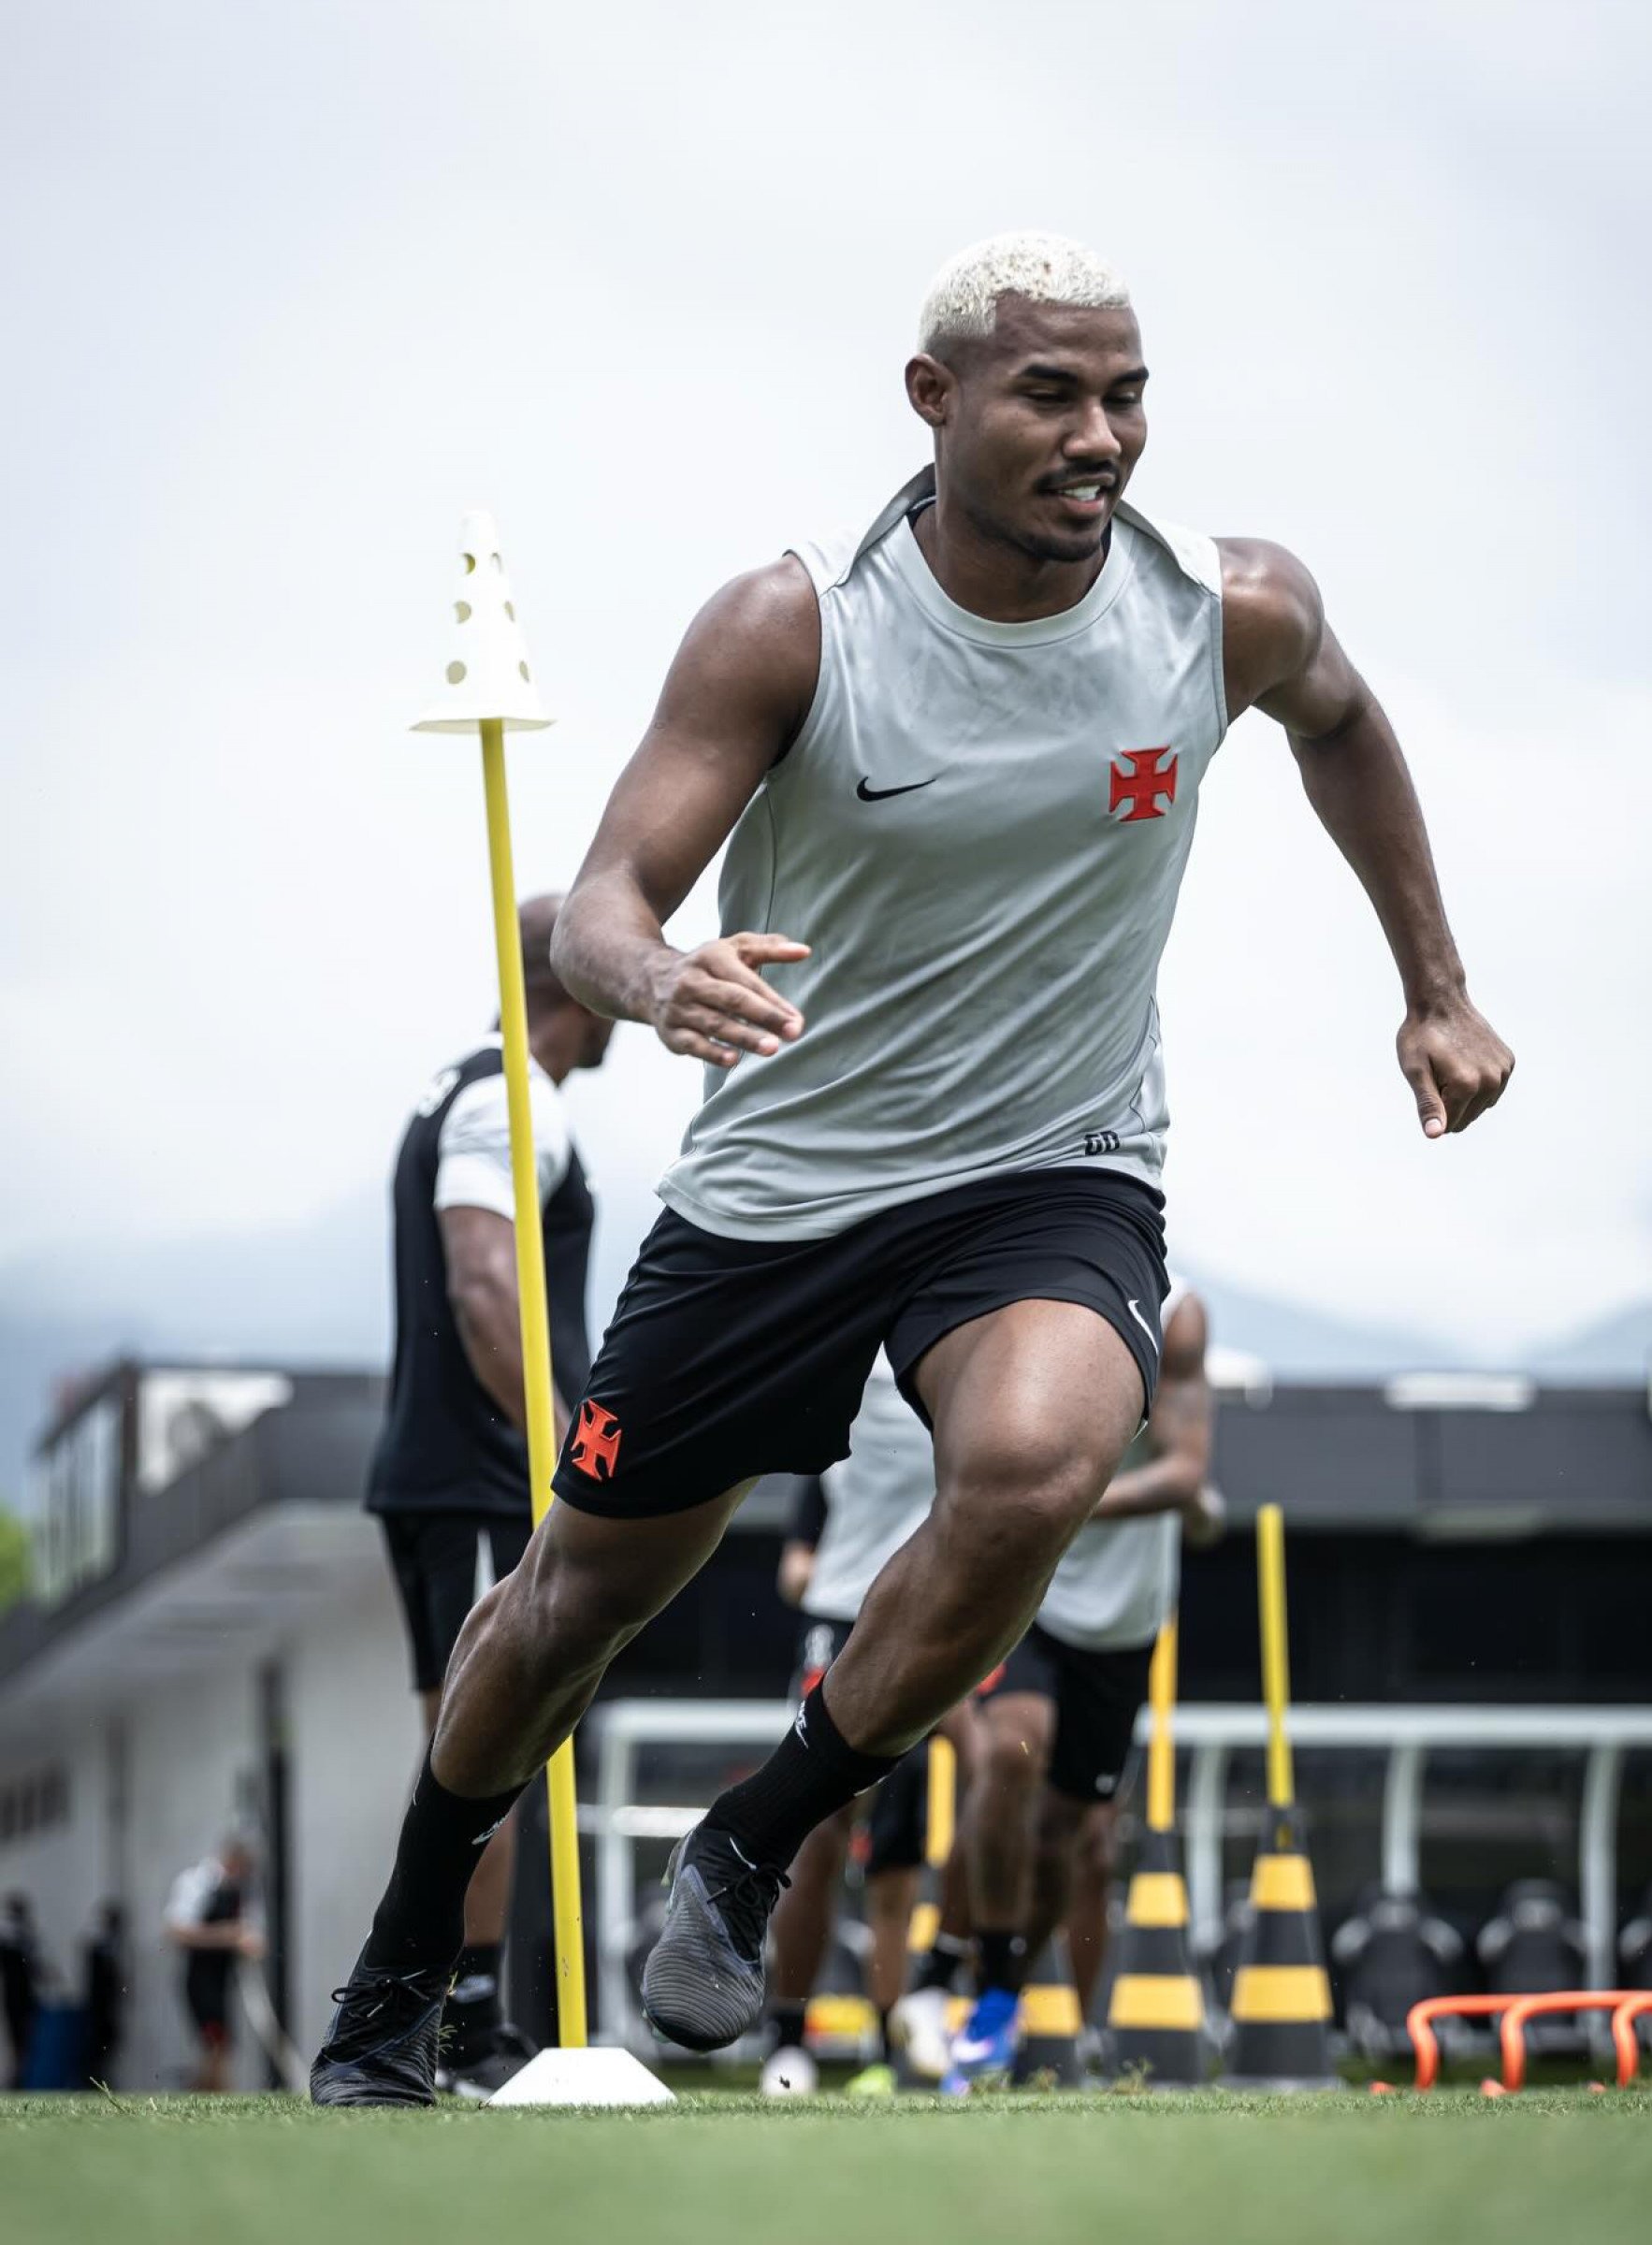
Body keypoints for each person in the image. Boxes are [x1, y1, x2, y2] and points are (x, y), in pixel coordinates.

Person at [312, 228, 1514, 2106]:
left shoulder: (1228, 611)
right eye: (1051, 392)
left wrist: (1435, 989)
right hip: (786, 1186)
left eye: (1126, 395)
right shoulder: (796, 627)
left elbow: (1344, 722)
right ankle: (394, 1975)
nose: (1100, 435)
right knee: (569, 1607)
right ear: (934, 399)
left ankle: (754, 1838)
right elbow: (606, 903)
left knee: (1039, 1464)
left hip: (1057, 1162)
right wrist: (657, 974)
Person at [363, 892, 612, 2098]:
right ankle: (459, 2025)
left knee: (466, 1744)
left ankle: (445, 2019)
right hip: (477, 1478)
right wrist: (559, 1443)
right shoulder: (510, 1097)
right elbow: (479, 1282)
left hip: (447, 1473)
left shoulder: (472, 1088)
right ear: (577, 981)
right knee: (484, 1741)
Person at [946, 1279, 1217, 2088]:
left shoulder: (1178, 1316)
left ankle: (1000, 1995)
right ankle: (965, 1975)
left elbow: (1184, 1472)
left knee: (1073, 1832)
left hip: (1125, 1622)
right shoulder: (1019, 1289)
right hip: (1032, 1594)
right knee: (1005, 1756)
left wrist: (1064, 1502)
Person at [759, 1354, 980, 2097]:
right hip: (841, 1627)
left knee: (899, 1861)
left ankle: (906, 2027)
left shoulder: (963, 1381)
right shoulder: (839, 1389)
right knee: (819, 1832)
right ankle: (787, 2043)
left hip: (927, 1623)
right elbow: (797, 1562)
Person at [165, 1836, 263, 2093]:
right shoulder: (198, 1882)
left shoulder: (239, 1891)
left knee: (220, 2042)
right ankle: (218, 2093)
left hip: (224, 1977)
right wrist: (228, 1936)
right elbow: (177, 1931)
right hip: (200, 1976)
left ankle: (203, 2093)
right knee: (215, 2039)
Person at [82, 1903, 127, 2090]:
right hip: (99, 2003)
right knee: (98, 2041)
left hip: (108, 2003)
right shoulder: (101, 1945)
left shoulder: (112, 1945)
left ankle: (99, 2079)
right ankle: (93, 2080)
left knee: (109, 2040)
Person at [1, 1892, 41, 2089]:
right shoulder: (9, 1933)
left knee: (24, 2037)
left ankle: (21, 2077)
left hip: (24, 1992)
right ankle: (17, 2079)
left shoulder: (25, 1933)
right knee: (18, 2037)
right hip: (14, 1992)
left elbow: (34, 1965)